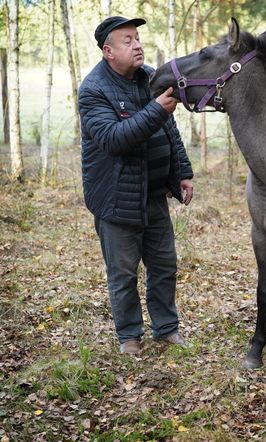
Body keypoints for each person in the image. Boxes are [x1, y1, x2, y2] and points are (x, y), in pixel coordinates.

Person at [78, 16, 194, 355]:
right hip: (116, 201)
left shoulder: (149, 77)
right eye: (127, 40)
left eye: (138, 37)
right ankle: (129, 337)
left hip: (154, 195)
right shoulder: (93, 90)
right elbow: (115, 140)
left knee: (164, 266)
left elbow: (170, 132)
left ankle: (166, 329)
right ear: (108, 51)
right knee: (124, 274)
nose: (137, 44)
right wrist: (157, 110)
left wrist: (182, 173)